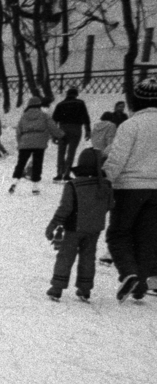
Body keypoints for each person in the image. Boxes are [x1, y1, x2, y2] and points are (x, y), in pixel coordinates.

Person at [102, 77, 157, 300]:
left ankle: (129, 274)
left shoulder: (130, 125)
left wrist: (104, 181)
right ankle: (141, 286)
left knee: (118, 233)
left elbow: (117, 159)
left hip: (129, 189)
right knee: (147, 238)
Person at [45, 148, 115, 301]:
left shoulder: (73, 185)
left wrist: (53, 224)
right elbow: (110, 205)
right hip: (95, 228)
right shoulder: (106, 185)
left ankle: (57, 287)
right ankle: (85, 289)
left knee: (65, 256)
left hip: (74, 227)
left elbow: (65, 208)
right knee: (88, 257)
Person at [10, 95, 59, 194]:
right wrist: (61, 135)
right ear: (39, 105)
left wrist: (20, 143)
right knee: (37, 164)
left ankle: (14, 183)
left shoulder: (24, 116)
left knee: (21, 163)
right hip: (39, 144)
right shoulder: (44, 115)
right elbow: (52, 127)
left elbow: (18, 131)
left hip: (25, 143)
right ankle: (35, 187)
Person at [52, 87, 92, 180]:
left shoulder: (60, 104)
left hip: (62, 128)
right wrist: (88, 130)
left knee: (61, 152)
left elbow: (54, 120)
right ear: (76, 95)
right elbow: (85, 117)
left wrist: (54, 134)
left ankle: (59, 173)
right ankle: (66, 173)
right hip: (76, 129)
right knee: (71, 152)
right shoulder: (80, 103)